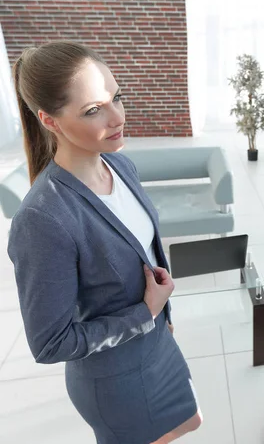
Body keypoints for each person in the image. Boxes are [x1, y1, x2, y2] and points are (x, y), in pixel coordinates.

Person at [7, 41, 202, 444]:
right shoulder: (43, 219)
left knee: (191, 421)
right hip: (118, 382)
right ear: (49, 120)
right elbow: (51, 343)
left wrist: (159, 320)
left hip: (158, 344)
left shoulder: (120, 164)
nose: (117, 117)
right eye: (93, 110)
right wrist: (145, 312)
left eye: (117, 97)